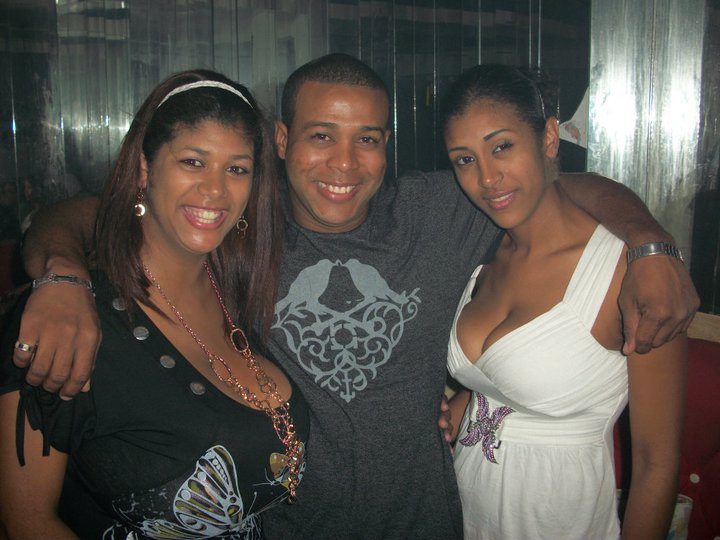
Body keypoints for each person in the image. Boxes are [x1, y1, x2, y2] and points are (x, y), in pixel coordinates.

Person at [12, 54, 697, 539]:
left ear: (387, 145)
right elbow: (89, 214)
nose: (344, 164)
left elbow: (559, 187)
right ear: (282, 141)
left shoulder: (440, 211)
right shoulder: (238, 224)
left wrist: (648, 241)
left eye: (367, 140)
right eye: (321, 137)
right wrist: (62, 276)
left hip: (429, 525)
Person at [0, 69, 309, 539]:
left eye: (236, 169)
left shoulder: (238, 289)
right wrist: (61, 271)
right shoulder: (70, 319)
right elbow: (24, 522)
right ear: (145, 169)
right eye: (192, 161)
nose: (215, 190)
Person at [443, 65, 686, 539]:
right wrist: (455, 408)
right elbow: (508, 382)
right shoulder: (479, 248)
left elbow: (656, 462)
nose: (487, 178)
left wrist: (650, 243)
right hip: (460, 515)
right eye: (464, 159)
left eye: (502, 147)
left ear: (549, 138)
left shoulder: (628, 273)